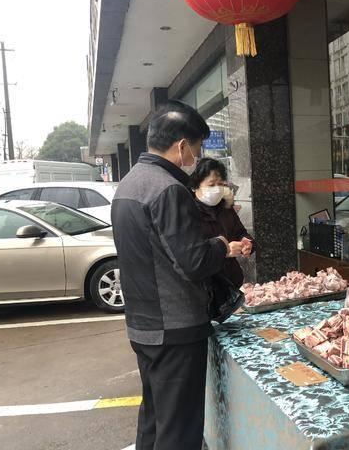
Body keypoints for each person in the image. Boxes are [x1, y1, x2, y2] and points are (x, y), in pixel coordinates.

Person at [111, 100, 245, 450]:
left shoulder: (128, 184)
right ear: (183, 146)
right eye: (197, 148)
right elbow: (194, 261)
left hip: (142, 324)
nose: (197, 158)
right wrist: (219, 243)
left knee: (154, 418)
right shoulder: (169, 189)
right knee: (180, 430)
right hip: (174, 328)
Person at [189, 157, 255, 288]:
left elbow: (240, 232)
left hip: (231, 282)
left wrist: (247, 243)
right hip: (207, 286)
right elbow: (192, 254)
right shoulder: (189, 213)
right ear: (195, 186)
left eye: (220, 184)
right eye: (211, 184)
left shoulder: (226, 208)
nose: (217, 188)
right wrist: (225, 250)